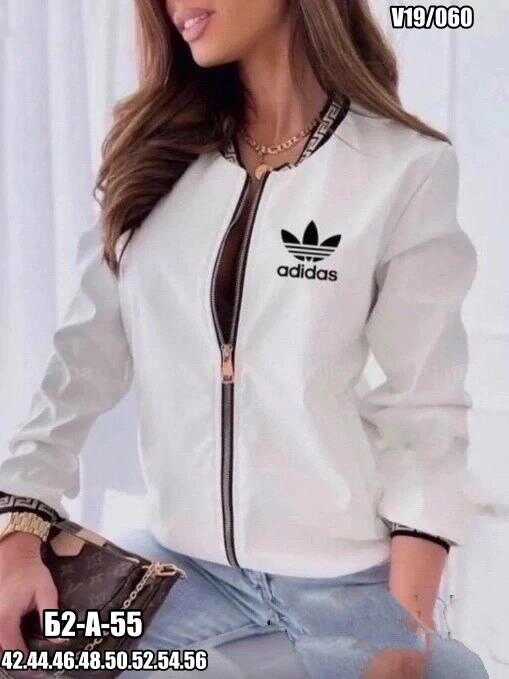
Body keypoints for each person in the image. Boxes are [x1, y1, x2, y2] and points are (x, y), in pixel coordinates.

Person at [0, 1, 489, 677]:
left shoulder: (402, 168)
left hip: (348, 588)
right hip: (180, 572)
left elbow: (423, 409)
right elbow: (75, 368)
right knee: (28, 652)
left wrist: (406, 630)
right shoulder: (154, 158)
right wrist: (17, 531)